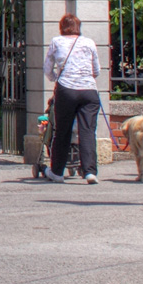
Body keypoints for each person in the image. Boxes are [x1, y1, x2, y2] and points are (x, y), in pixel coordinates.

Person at [42, 13, 101, 184]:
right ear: (78, 27)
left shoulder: (56, 42)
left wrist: (56, 78)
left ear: (62, 27)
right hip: (89, 91)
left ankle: (57, 172)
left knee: (62, 131)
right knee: (88, 131)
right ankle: (90, 172)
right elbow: (96, 70)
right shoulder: (89, 42)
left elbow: (47, 69)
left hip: (66, 90)